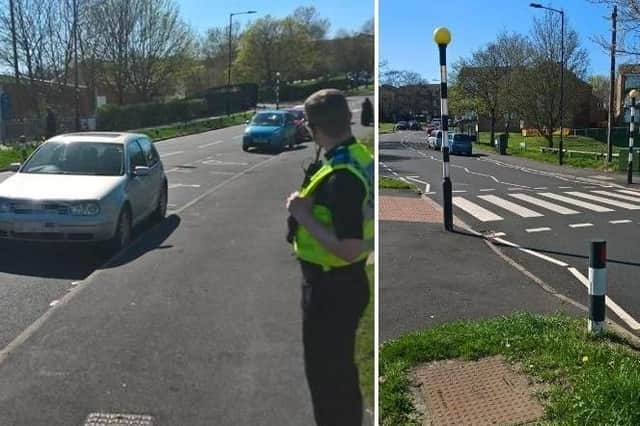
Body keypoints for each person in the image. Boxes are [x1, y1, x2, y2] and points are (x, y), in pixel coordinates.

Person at [286, 89, 374, 426]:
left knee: (327, 382)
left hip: (330, 288)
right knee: (340, 374)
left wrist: (300, 212)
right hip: (344, 284)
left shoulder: (341, 177)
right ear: (348, 119)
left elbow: (349, 246)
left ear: (311, 128)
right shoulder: (357, 157)